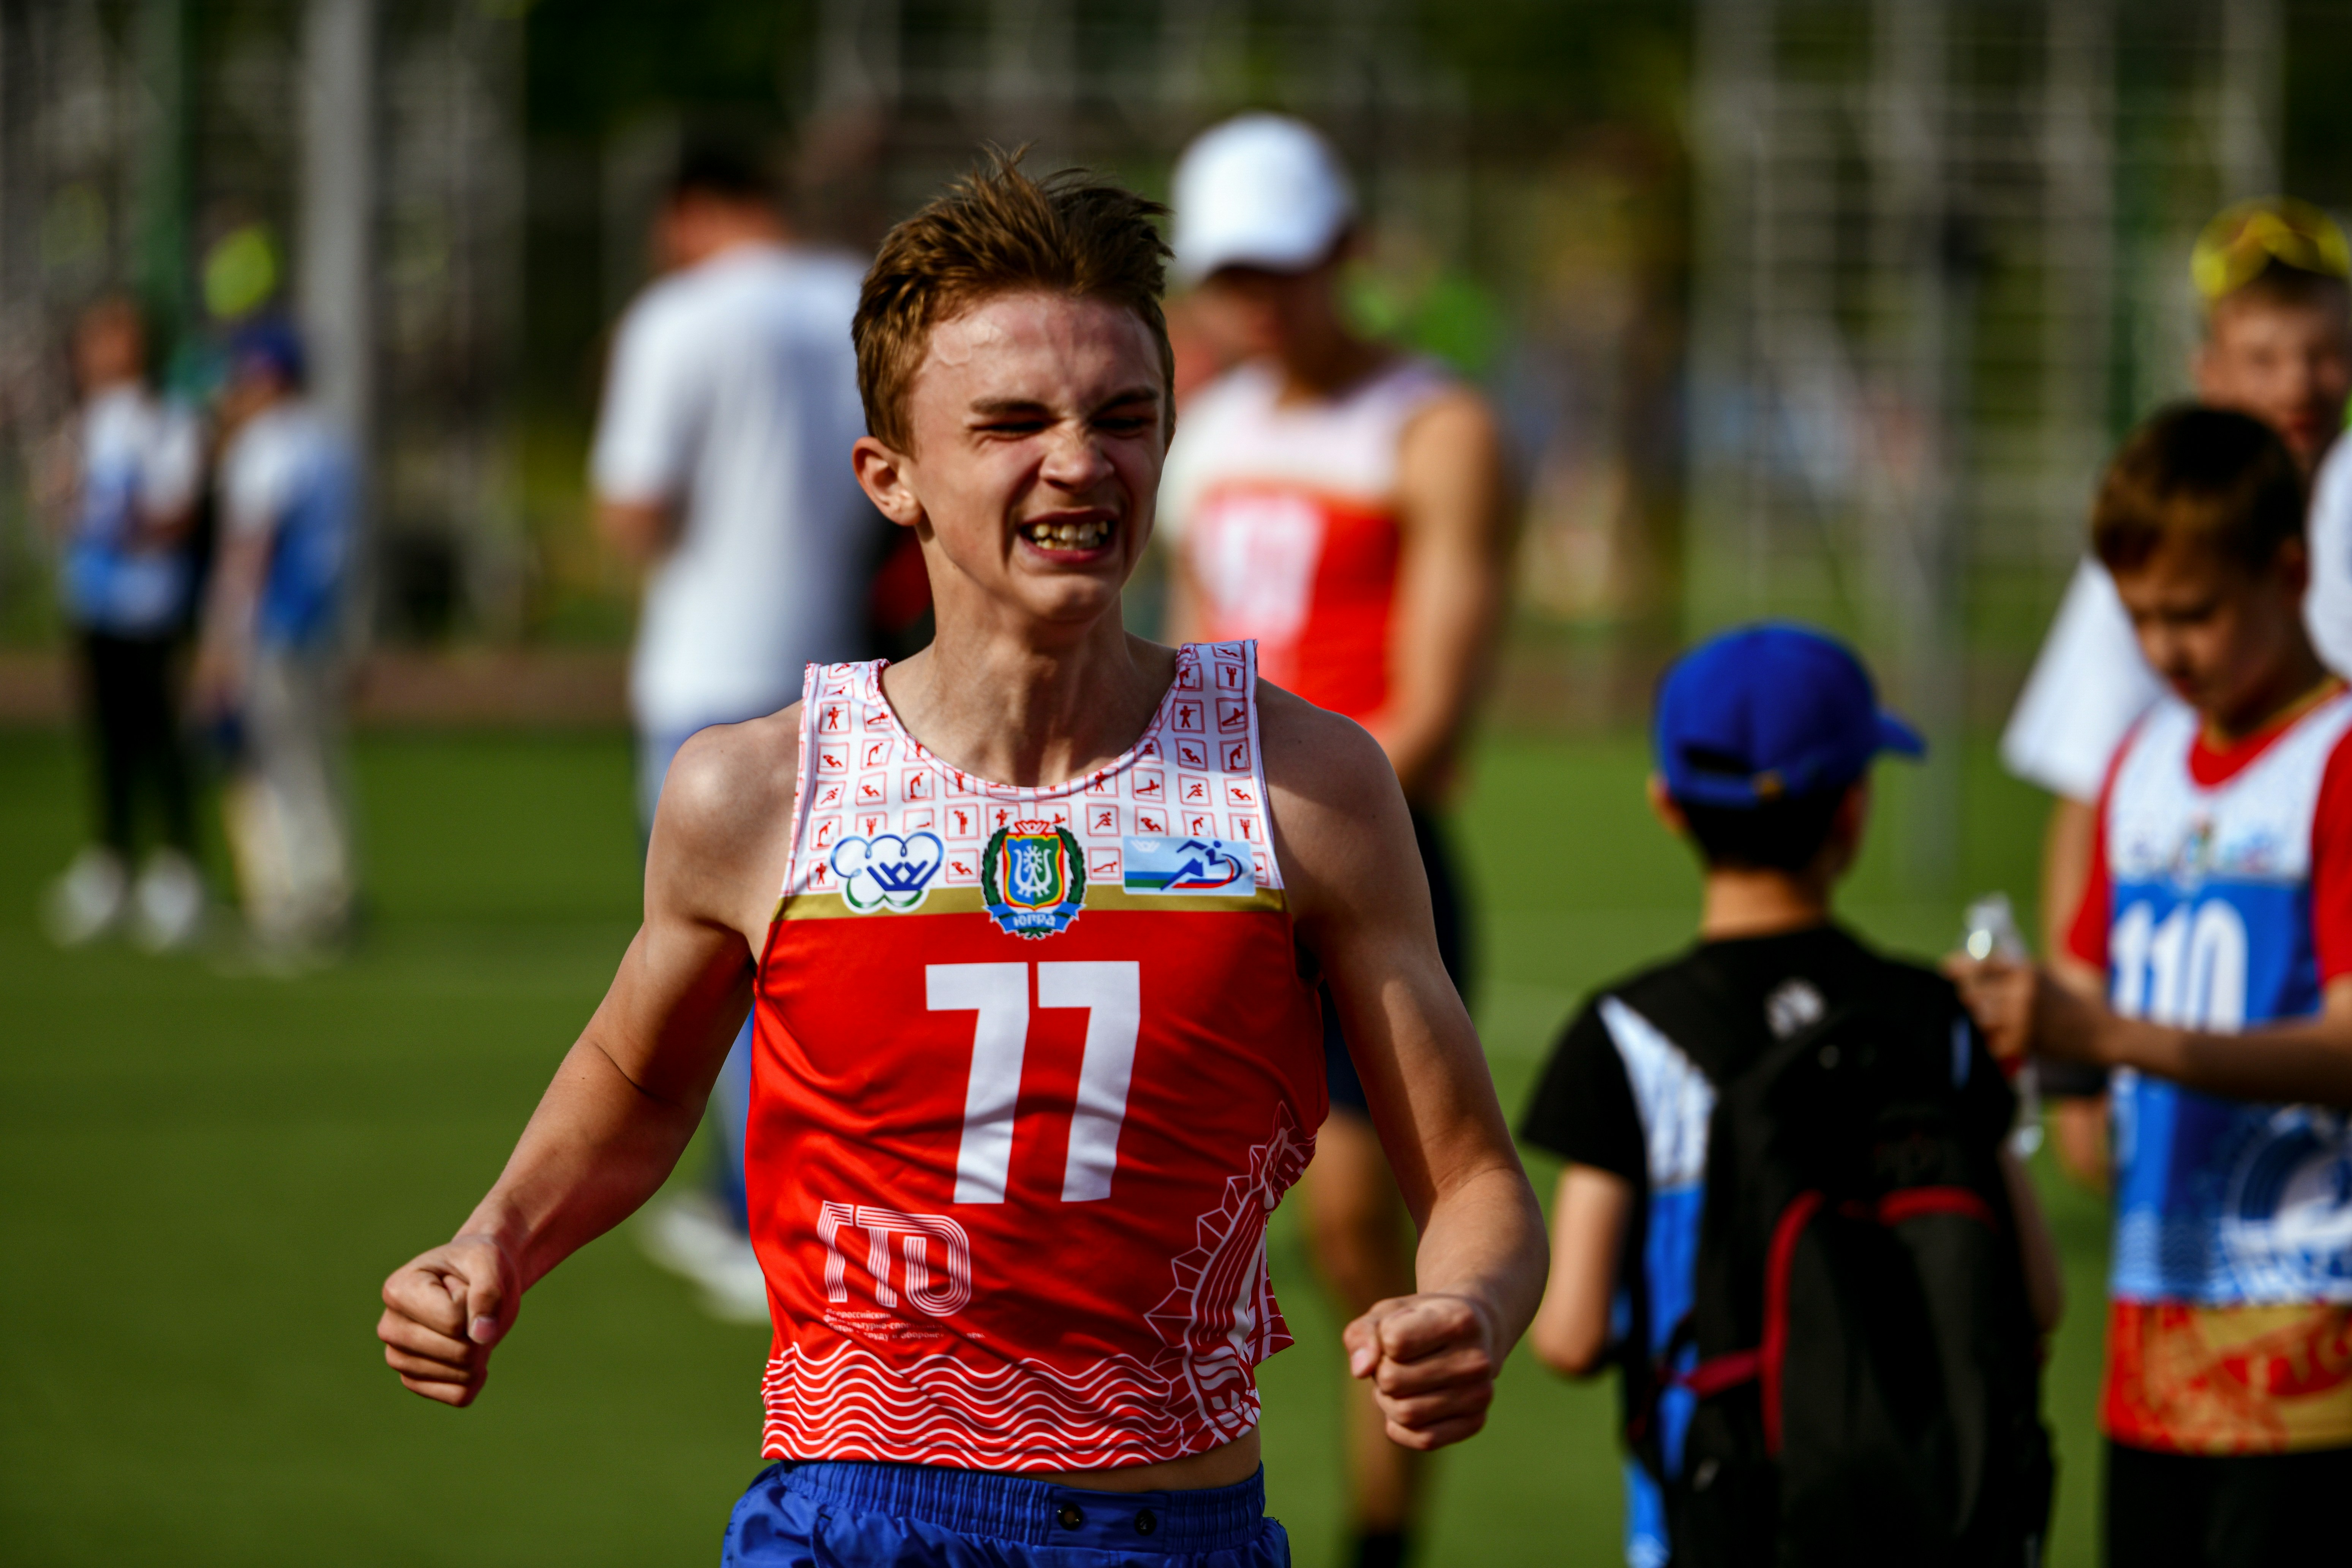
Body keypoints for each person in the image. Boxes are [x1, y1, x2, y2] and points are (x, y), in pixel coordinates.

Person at [375, 154, 1547, 1568]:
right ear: (892, 477)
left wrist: (1468, 1305)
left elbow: (1474, 1176)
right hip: (853, 1521)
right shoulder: (757, 788)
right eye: (1012, 423)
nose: (1079, 459)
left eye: (1124, 416)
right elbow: (637, 1082)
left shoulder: (1308, 784)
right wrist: (492, 1239)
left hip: (1172, 1529)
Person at [1159, 112, 1515, 1568]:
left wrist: (1291, 823)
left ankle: (1381, 1537)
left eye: (1283, 268)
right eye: (1232, 273)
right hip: (1206, 872)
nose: (1258, 303)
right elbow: (1183, 646)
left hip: (1371, 858)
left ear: (1346, 254)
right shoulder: (1207, 427)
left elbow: (1432, 706)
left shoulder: (1435, 427)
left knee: (1367, 1220)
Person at [1519, 623, 2062, 1568]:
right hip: (1932, 1510)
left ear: (1667, 806)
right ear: (1853, 811)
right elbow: (2040, 1296)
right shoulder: (1935, 1019)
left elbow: (1569, 1335)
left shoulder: (1626, 1034)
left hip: (1715, 1516)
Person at [1955, 406, 2352, 1566]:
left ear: (2289, 574)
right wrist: (2011, 1021)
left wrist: (2112, 1035)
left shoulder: (2333, 760)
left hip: (2315, 1332)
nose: (2167, 651)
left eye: (2196, 615)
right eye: (2140, 623)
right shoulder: (2140, 768)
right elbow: (2082, 993)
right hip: (2156, 1330)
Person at [589, 144, 874, 1322]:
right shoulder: (862, 298)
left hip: (708, 673)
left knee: (724, 970)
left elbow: (634, 506)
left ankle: (772, 1220)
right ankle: (791, 1204)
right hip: (859, 672)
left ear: (694, 209)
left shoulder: (680, 318)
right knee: (840, 960)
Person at [2000, 199, 2351, 1084]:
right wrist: (2082, 1052)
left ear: (2290, 576)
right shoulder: (2161, 534)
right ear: (2210, 371)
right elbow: (2093, 784)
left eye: (2322, 353)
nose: (2297, 386)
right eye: (2263, 358)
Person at [41, 295, 207, 950]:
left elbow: (177, 515)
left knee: (161, 737)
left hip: (150, 605)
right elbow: (58, 507)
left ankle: (178, 871)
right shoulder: (82, 425)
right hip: (95, 602)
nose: (100, 352)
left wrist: (125, 521)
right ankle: (111, 864)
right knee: (105, 738)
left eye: (113, 338)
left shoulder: (165, 419)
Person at [194, 319, 359, 955]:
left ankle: (288, 905)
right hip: (321, 630)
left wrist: (218, 647)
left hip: (273, 630)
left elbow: (248, 555)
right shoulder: (332, 444)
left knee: (267, 770)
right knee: (316, 766)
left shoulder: (262, 448)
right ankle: (331, 894)